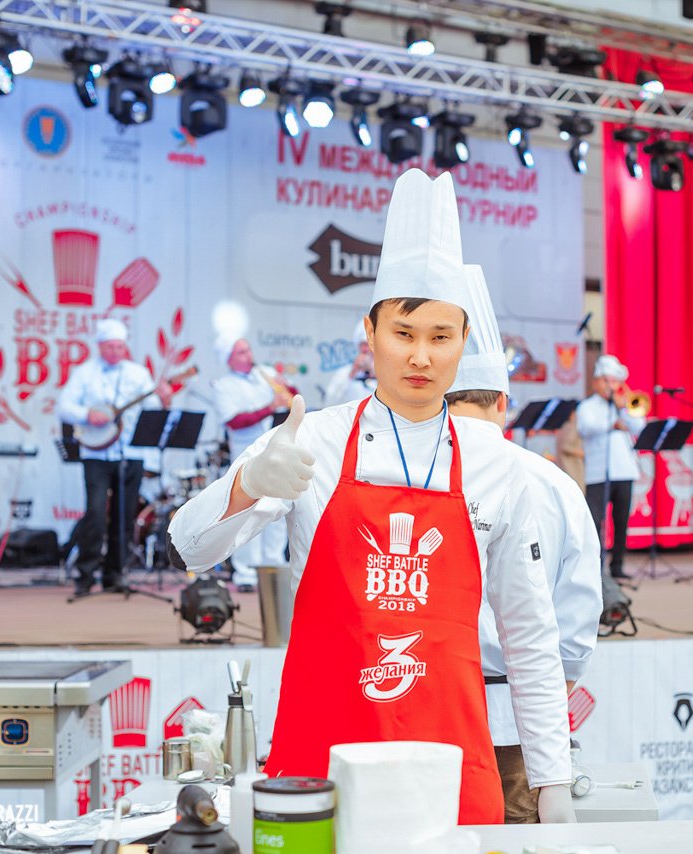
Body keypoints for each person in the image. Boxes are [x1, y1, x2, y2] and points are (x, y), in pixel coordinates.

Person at [168, 170, 574, 825]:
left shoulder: (495, 464)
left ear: (463, 339)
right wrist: (250, 483)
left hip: (451, 762)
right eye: (403, 334)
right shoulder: (313, 439)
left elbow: (529, 634)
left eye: (440, 337)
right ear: (370, 330)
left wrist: (553, 783)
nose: (421, 357)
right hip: (323, 760)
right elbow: (189, 546)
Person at [445, 264, 601, 824]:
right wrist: (543, 700)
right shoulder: (554, 482)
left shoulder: (412, 480)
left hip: (424, 715)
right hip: (523, 728)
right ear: (503, 402)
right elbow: (578, 623)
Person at [57, 319, 173, 596]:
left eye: (119, 346)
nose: (115, 351)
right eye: (110, 346)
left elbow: (153, 410)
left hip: (130, 453)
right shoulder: (85, 373)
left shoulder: (138, 374)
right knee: (96, 513)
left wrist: (165, 400)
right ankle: (86, 575)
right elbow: (64, 407)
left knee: (124, 515)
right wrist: (87, 415)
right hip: (96, 454)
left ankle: (116, 573)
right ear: (100, 346)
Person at [212, 336, 294, 591]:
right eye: (241, 352)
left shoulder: (264, 373)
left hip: (277, 448)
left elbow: (292, 401)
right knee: (248, 513)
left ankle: (273, 564)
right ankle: (246, 572)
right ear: (229, 359)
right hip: (247, 453)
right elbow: (235, 421)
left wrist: (288, 389)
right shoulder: (223, 386)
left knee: (276, 508)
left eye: (248, 350)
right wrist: (271, 406)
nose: (248, 355)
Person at [575, 355, 645, 581]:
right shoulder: (587, 406)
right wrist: (611, 423)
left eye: (615, 381)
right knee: (595, 522)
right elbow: (585, 428)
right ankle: (595, 568)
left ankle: (618, 566)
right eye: (607, 381)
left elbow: (639, 426)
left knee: (621, 521)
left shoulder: (622, 406)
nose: (611, 386)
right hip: (598, 473)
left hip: (625, 471)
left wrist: (623, 410)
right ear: (596, 382)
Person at [321, 320, 376, 407]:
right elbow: (329, 402)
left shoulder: (385, 374)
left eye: (370, 344)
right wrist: (352, 373)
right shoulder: (344, 373)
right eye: (364, 345)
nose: (367, 349)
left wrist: (375, 374)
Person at [555, 411, 586, 493]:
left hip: (564, 465)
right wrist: (582, 453)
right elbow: (565, 446)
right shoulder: (573, 427)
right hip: (572, 466)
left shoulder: (564, 427)